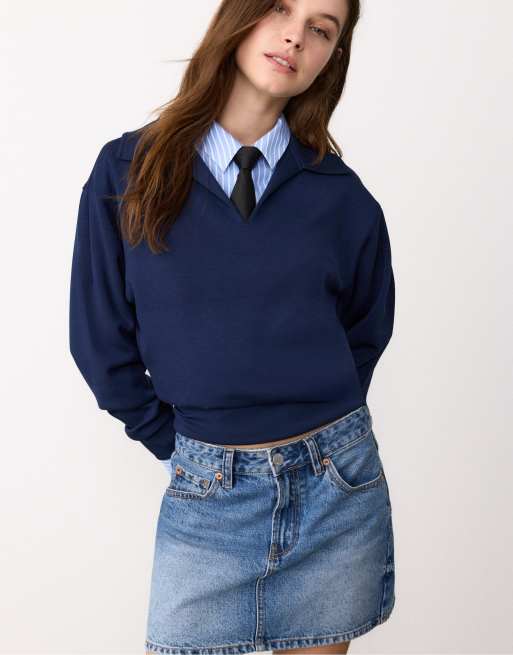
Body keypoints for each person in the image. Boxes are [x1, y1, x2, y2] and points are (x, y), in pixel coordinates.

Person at [69, 1, 396, 653]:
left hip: (336, 488)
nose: (294, 36)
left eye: (321, 29)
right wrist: (176, 442)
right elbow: (99, 334)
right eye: (280, 8)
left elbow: (365, 329)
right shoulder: (127, 170)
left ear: (331, 58)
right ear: (239, 16)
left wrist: (318, 421)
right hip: (207, 491)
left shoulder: (342, 196)